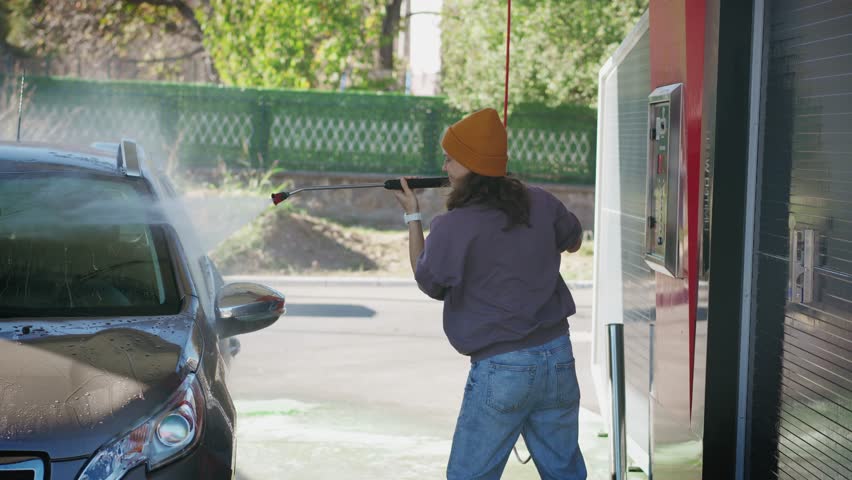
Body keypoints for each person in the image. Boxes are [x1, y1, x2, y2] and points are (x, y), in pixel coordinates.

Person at [391, 108, 587, 479]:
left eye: (450, 159)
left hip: (503, 369)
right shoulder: (541, 202)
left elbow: (427, 279)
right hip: (558, 357)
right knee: (564, 472)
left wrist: (412, 217)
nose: (444, 167)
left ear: (472, 164)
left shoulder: (453, 226)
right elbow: (573, 241)